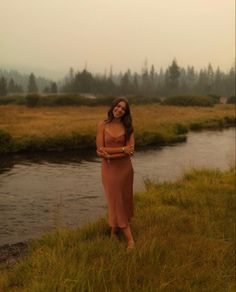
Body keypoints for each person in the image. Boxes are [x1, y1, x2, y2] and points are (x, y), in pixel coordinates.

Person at [96, 97, 135, 249]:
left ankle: (113, 233)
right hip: (109, 170)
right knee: (115, 201)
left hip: (125, 170)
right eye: (118, 106)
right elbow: (100, 149)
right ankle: (131, 240)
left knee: (122, 201)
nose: (119, 110)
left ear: (126, 112)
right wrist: (122, 150)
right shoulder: (102, 125)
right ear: (113, 107)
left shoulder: (129, 127)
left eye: (123, 109)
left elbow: (131, 150)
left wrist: (111, 154)